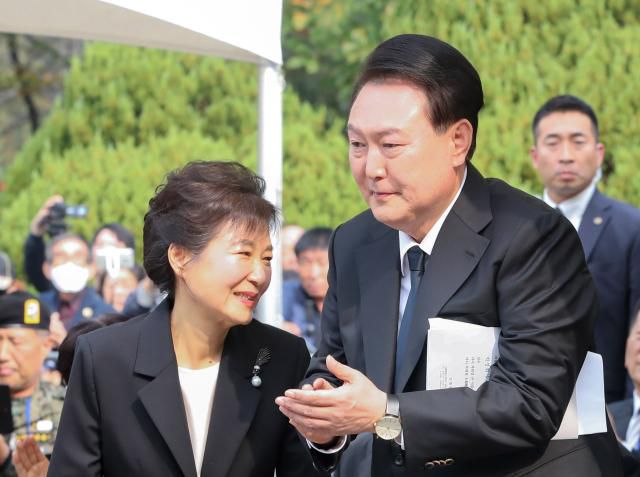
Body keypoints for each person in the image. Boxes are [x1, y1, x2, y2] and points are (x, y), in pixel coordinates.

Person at [276, 34, 623, 476]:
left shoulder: (532, 235)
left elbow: (530, 401)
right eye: (357, 145)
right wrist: (324, 417)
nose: (371, 168)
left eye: (391, 145)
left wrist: (385, 413)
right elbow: (332, 364)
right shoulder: (354, 242)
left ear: (458, 140)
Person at [48, 161, 326, 477]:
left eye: (267, 258)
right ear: (180, 257)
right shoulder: (104, 359)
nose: (259, 274)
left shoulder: (282, 357)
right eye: (243, 254)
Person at [530, 95, 640, 403]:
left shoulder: (631, 228)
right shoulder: (514, 225)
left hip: (607, 408)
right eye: (553, 143)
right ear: (535, 156)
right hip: (527, 405)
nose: (566, 156)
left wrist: (629, 414)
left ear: (599, 153)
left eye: (578, 142)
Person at [0, 291, 65, 477]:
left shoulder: (67, 408)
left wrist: (5, 462)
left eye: (15, 342)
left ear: (46, 345)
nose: (3, 355)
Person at [38, 233, 114, 330]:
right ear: (47, 269)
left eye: (77, 256)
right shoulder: (37, 306)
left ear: (92, 269)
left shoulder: (107, 314)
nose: (69, 263)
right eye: (61, 256)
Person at [282, 227, 332, 353]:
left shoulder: (354, 301)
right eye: (306, 262)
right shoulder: (284, 295)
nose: (313, 274)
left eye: (322, 263)